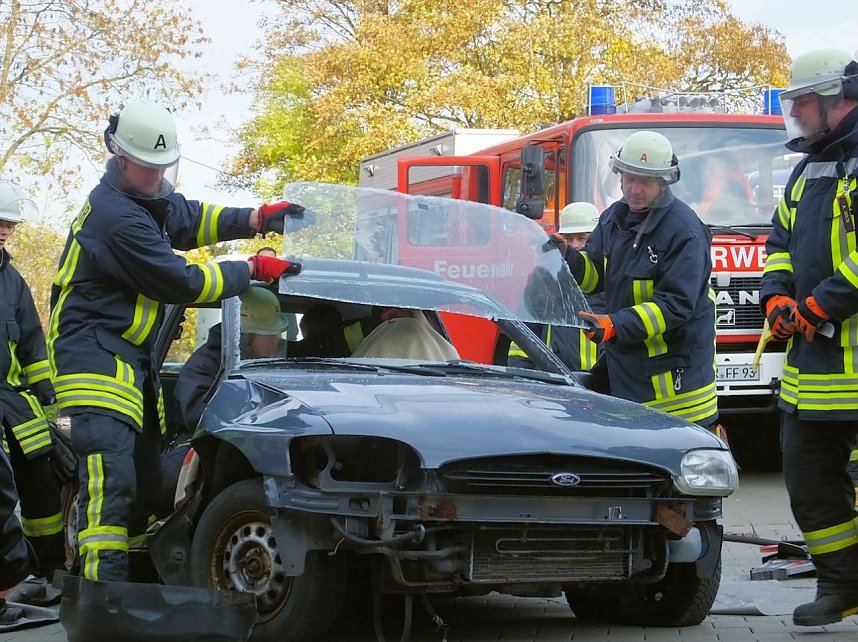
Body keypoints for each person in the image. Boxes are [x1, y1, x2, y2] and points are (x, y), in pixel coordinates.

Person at [47, 101, 308, 583]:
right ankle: (101, 602)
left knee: (144, 486)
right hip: (94, 361)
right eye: (148, 167)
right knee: (113, 486)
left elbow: (190, 218)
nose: (156, 177)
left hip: (125, 361)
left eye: (163, 167)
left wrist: (254, 218)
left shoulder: (144, 200)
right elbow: (181, 281)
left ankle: (129, 588)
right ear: (120, 157)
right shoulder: (114, 217)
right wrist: (250, 270)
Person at [759, 48, 858, 627]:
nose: (794, 112)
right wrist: (777, 297)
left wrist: (820, 303)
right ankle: (841, 586)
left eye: (800, 101)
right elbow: (779, 242)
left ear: (835, 98)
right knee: (808, 482)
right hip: (813, 372)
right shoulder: (808, 169)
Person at [561, 131, 718, 427]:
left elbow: (674, 306)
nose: (634, 188)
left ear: (663, 181)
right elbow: (596, 277)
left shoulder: (684, 231)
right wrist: (567, 257)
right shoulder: (613, 218)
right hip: (628, 374)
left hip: (676, 389)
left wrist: (614, 325)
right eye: (629, 178)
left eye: (644, 180)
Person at [0, 181, 65, 583]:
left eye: (10, 224)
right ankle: (13, 579)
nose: (5, 230)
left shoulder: (13, 282)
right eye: (0, 222)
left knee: (43, 485)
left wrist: (51, 406)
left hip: (15, 406)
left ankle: (51, 570)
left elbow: (33, 350)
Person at [508, 202, 604, 371]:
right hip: (559, 382)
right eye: (568, 238)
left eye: (582, 238)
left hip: (602, 384)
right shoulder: (545, 279)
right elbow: (524, 334)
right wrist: (521, 375)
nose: (574, 245)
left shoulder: (611, 278)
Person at [175, 287, 288, 431]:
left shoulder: (271, 362)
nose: (277, 342)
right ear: (245, 337)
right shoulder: (205, 364)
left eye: (278, 334)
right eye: (270, 336)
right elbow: (196, 418)